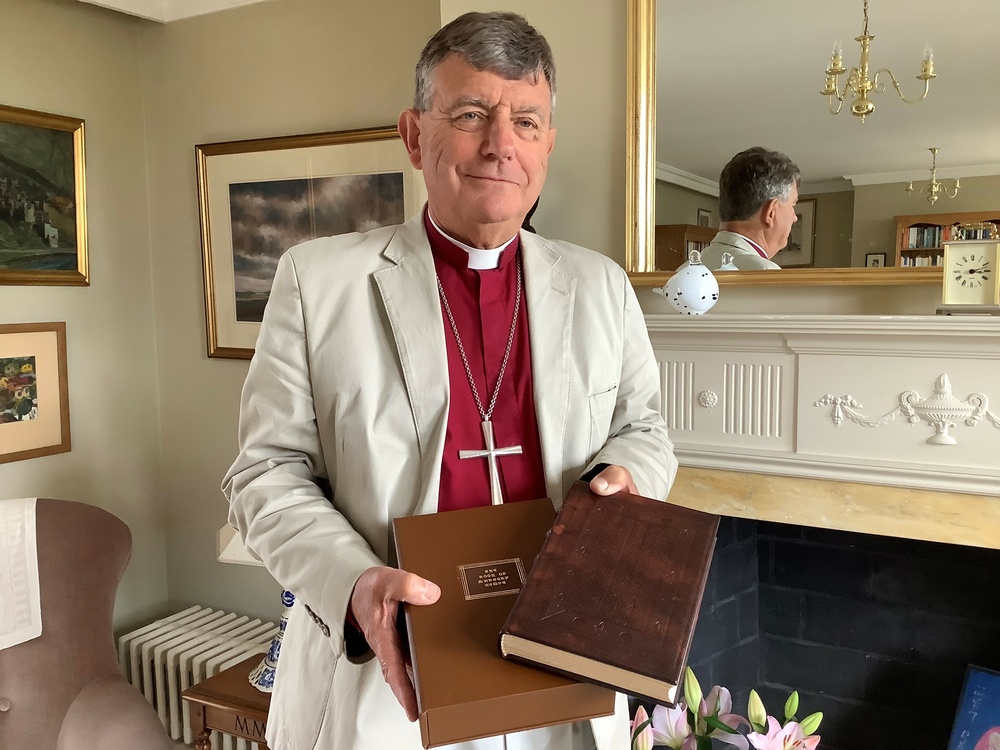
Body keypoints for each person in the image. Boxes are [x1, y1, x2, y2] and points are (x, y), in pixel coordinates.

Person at [223, 11, 676, 750]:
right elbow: (263, 476)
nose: (501, 145)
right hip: (385, 676)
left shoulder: (602, 286)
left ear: (548, 145)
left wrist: (625, 477)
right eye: (471, 114)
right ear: (413, 135)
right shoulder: (319, 281)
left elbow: (646, 428)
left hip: (563, 668)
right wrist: (354, 585)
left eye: (527, 121)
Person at [699, 146, 801, 271]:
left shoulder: (681, 273)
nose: (794, 218)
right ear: (771, 213)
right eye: (793, 205)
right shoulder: (767, 275)